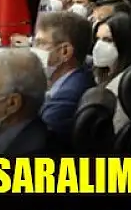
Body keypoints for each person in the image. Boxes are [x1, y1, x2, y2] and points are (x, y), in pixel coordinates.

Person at [32, 11, 95, 145]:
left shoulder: (66, 98)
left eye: (40, 43)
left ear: (65, 51)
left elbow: (33, 144)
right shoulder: (80, 74)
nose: (34, 50)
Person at [93, 13, 131, 133]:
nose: (99, 45)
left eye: (108, 40)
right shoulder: (101, 74)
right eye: (98, 39)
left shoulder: (124, 86)